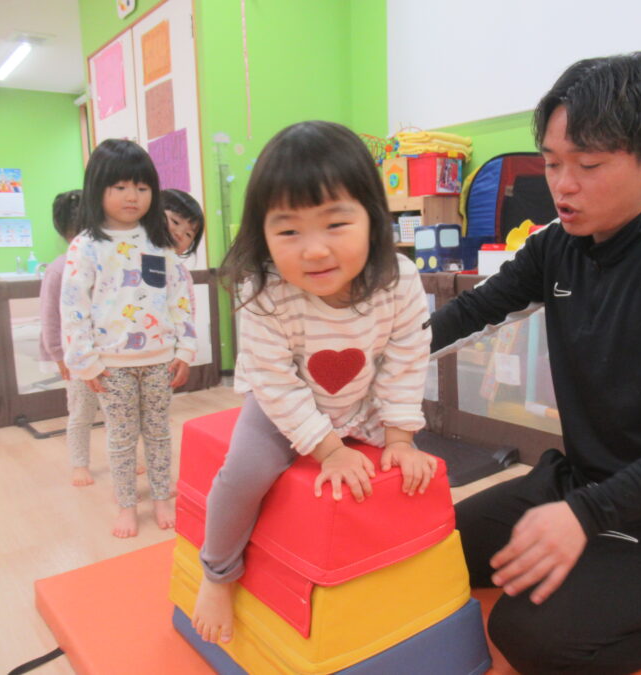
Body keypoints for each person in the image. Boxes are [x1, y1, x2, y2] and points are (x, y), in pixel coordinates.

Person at [430, 52, 641, 674]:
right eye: (552, 162)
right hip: (583, 483)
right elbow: (474, 310)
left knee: (530, 636)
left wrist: (585, 517)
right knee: (437, 550)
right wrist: (379, 359)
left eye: (587, 166)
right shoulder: (555, 244)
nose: (563, 185)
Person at [191, 120, 437, 644]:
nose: (315, 250)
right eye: (289, 232)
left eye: (335, 224)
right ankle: (217, 572)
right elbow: (275, 382)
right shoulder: (264, 292)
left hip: (362, 401)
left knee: (412, 472)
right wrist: (329, 450)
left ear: (372, 219)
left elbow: (406, 359)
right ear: (263, 236)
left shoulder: (398, 280)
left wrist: (400, 437)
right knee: (244, 474)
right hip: (282, 409)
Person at [61, 139, 196, 538]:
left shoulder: (158, 243)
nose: (132, 196)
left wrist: (186, 348)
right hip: (111, 365)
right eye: (119, 187)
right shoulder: (86, 246)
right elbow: (73, 307)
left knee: (158, 433)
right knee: (121, 439)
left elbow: (179, 298)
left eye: (141, 187)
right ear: (97, 189)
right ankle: (126, 505)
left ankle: (161, 497)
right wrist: (84, 362)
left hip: (159, 360)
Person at [39, 189, 101, 487]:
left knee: (119, 412)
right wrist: (57, 354)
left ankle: (126, 456)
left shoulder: (106, 262)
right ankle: (80, 463)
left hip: (110, 352)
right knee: (80, 412)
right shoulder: (58, 269)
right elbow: (50, 316)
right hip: (76, 355)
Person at [161, 188, 204, 257]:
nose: (179, 234)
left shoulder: (172, 263)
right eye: (175, 222)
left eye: (188, 234)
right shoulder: (141, 246)